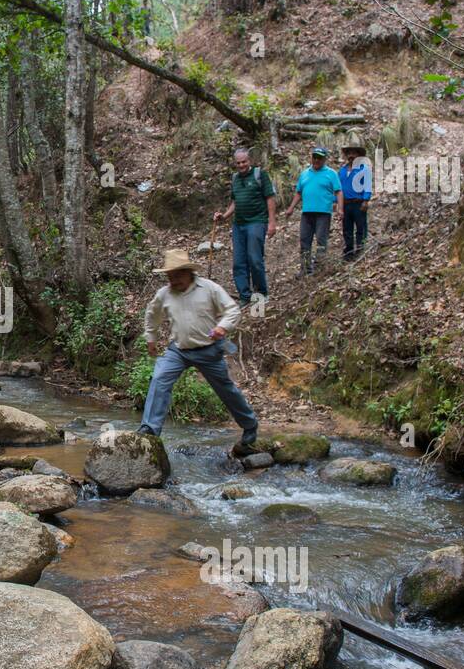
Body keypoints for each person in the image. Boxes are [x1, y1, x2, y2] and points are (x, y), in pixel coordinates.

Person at [137, 248, 259, 451]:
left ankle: (250, 425)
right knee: (159, 379)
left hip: (209, 350)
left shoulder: (209, 288)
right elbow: (152, 316)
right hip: (178, 350)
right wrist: (151, 338)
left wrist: (223, 327)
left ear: (189, 272)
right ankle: (149, 430)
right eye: (169, 276)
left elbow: (232, 310)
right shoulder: (164, 294)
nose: (173, 280)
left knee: (225, 390)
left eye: (177, 275)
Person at [213, 146, 277, 306]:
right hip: (239, 225)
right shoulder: (235, 178)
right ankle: (244, 295)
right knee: (238, 262)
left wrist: (272, 223)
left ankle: (261, 294)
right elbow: (235, 202)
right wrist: (224, 216)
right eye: (238, 163)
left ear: (250, 161)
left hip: (256, 222)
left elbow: (270, 198)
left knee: (255, 259)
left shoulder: (259, 175)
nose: (241, 165)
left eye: (244, 162)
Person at [282, 147, 343, 275]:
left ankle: (319, 269)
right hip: (307, 213)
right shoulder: (304, 174)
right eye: (314, 157)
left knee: (321, 240)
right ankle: (305, 269)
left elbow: (338, 191)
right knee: (304, 241)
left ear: (324, 159)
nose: (316, 160)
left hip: (323, 213)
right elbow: (299, 193)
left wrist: (340, 209)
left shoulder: (331, 173)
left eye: (319, 157)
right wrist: (291, 208)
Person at [338, 140, 371, 260]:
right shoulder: (342, 170)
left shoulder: (364, 169)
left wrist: (366, 200)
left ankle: (361, 248)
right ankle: (349, 251)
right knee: (347, 228)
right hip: (345, 204)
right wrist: (336, 202)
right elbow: (338, 188)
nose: (351, 156)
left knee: (361, 226)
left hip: (358, 202)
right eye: (349, 153)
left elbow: (367, 185)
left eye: (354, 153)